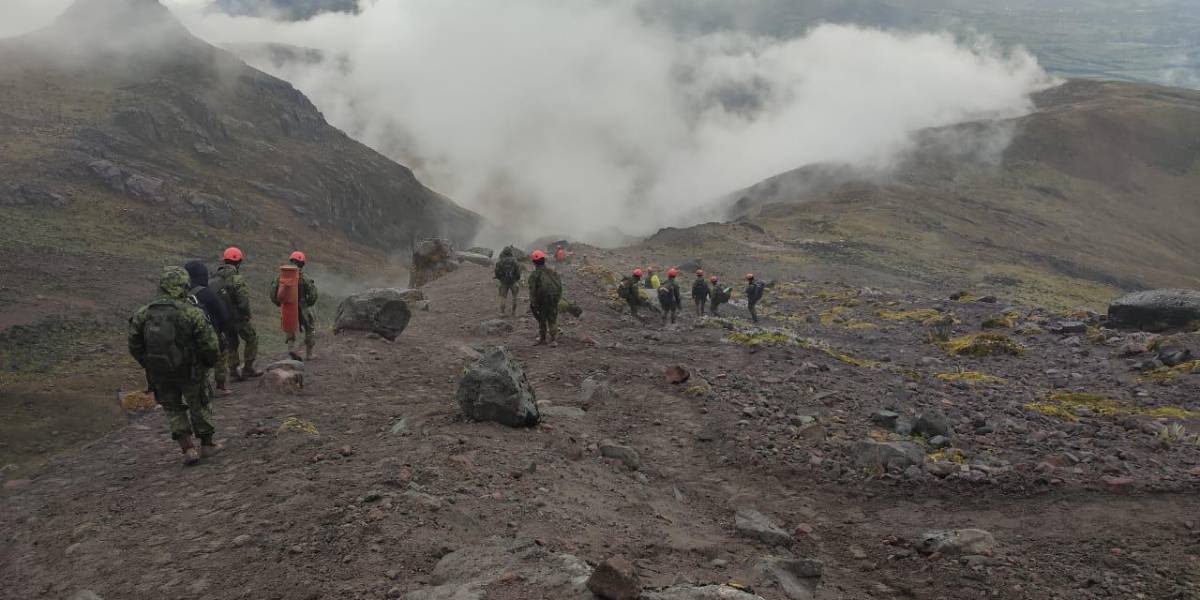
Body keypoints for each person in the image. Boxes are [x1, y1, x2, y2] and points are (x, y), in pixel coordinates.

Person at [128, 266, 222, 465]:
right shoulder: (191, 313)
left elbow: (134, 344)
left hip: (159, 371)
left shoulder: (143, 314)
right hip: (190, 370)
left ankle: (187, 449)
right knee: (199, 404)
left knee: (172, 408)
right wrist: (208, 362)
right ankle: (207, 445)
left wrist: (148, 363)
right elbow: (210, 344)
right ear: (184, 286)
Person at [184, 260, 233, 396]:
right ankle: (220, 386)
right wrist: (220, 331)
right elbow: (223, 314)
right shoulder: (207, 293)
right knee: (221, 355)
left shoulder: (181, 293)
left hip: (186, 338)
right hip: (209, 335)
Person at [212, 247, 262, 381]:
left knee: (231, 344)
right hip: (238, 318)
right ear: (239, 262)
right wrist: (246, 314)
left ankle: (233, 371)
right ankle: (248, 368)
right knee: (252, 338)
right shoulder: (236, 279)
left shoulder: (214, 279)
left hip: (223, 319)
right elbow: (243, 301)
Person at [271, 251, 319, 361]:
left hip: (287, 305)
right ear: (302, 264)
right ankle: (309, 354)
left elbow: (273, 293)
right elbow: (313, 294)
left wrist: (279, 303)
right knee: (310, 327)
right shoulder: (304, 278)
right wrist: (307, 303)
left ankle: (291, 348)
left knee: (289, 327)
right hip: (302, 307)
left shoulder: (280, 276)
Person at [527, 250, 563, 346]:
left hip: (541, 302)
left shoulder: (534, 275)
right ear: (544, 260)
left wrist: (533, 303)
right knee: (552, 319)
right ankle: (553, 340)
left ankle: (542, 339)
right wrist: (557, 299)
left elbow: (532, 291)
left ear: (534, 262)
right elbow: (560, 286)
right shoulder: (552, 272)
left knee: (542, 320)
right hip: (553, 300)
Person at [494, 246, 523, 316]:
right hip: (513, 281)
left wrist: (500, 279)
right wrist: (516, 279)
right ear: (510, 252)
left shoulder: (500, 261)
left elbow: (496, 272)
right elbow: (518, 272)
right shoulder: (514, 260)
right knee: (514, 297)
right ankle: (513, 312)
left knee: (503, 297)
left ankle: (502, 312)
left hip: (503, 282)